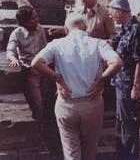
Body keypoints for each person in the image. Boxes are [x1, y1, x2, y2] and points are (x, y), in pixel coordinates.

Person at [31, 13, 123, 160]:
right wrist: (101, 79)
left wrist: (58, 79)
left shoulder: (57, 44)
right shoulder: (98, 43)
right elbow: (117, 63)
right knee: (90, 151)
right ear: (85, 28)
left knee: (71, 152)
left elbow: (36, 63)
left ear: (66, 29)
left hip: (67, 102)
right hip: (92, 103)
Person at [108, 0, 140, 160]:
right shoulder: (125, 28)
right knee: (121, 120)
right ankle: (122, 153)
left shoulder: (136, 30)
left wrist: (136, 87)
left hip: (128, 84)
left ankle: (130, 156)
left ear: (120, 11)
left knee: (128, 122)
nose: (111, 16)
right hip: (120, 82)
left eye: (112, 12)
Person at [6, 6, 47, 120]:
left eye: (36, 16)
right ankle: (38, 128)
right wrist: (14, 59)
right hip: (30, 72)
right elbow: (10, 51)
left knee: (43, 100)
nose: (37, 20)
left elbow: (45, 47)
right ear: (25, 22)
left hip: (43, 69)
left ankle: (39, 125)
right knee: (37, 102)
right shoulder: (17, 33)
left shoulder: (40, 29)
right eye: (33, 18)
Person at [49, 0, 115, 40]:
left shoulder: (105, 13)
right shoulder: (77, 12)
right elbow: (73, 31)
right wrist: (61, 30)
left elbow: (113, 37)